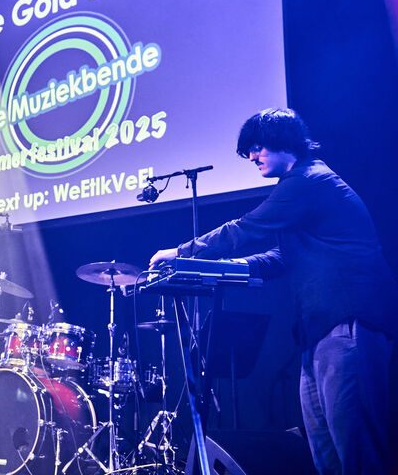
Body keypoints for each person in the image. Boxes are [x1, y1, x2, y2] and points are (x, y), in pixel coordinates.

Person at [149, 108, 398, 475]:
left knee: (358, 454)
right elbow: (282, 257)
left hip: (348, 322)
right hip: (320, 331)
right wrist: (226, 267)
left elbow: (245, 227)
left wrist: (181, 253)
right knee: (327, 455)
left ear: (285, 142)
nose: (252, 156)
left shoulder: (309, 181)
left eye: (258, 147)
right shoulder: (302, 187)